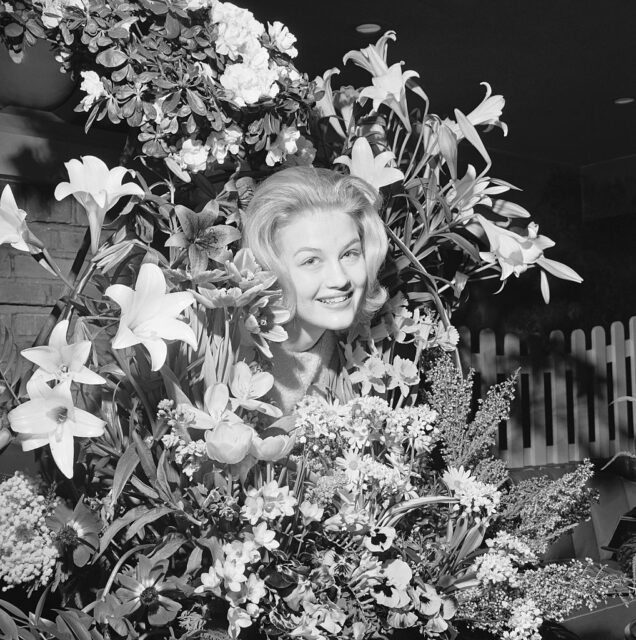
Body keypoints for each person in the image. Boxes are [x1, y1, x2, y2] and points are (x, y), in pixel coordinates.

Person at [242, 166, 388, 415]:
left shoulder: (355, 356)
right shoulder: (227, 351)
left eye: (349, 254)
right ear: (269, 268)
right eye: (311, 261)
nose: (340, 278)